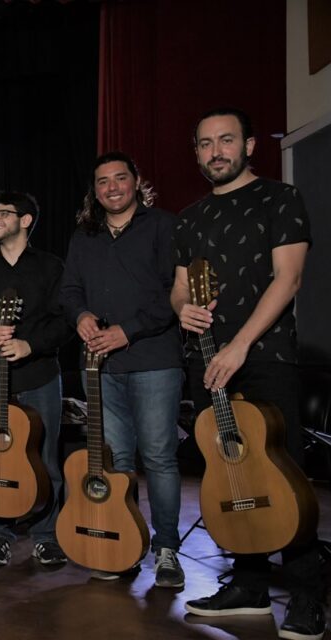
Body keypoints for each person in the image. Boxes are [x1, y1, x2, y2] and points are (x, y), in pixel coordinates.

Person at [172, 107, 325, 640]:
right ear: (196, 152)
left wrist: (240, 345)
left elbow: (290, 279)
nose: (217, 152)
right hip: (206, 359)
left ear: (250, 145)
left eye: (227, 140)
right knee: (229, 470)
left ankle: (307, 594)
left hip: (265, 359)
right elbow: (178, 285)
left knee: (282, 475)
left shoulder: (281, 200)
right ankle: (250, 585)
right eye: (206, 143)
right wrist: (182, 311)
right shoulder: (188, 218)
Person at [59, 151, 185, 587]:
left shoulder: (164, 227)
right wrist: (80, 317)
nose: (112, 187)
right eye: (102, 181)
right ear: (94, 190)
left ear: (136, 181)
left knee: (159, 459)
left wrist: (126, 332)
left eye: (120, 178)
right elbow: (70, 290)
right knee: (115, 461)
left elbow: (175, 294)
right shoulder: (83, 237)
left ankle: (166, 549)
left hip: (154, 361)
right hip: (99, 368)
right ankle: (123, 546)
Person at [0, 190, 71, 567]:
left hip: (39, 375)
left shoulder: (52, 267)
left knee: (46, 459)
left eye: (3, 213)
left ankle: (46, 536)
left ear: (25, 221)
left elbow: (65, 321)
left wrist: (30, 345)